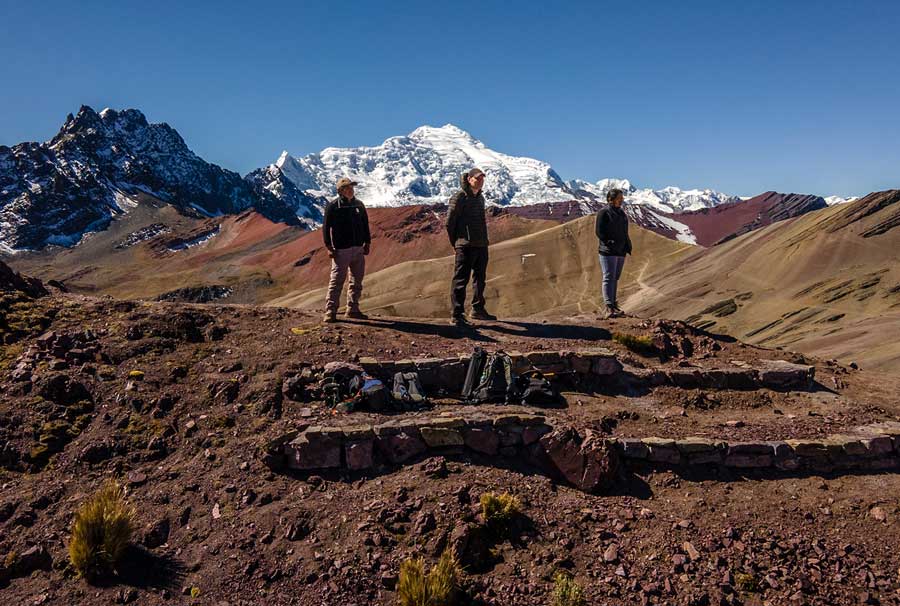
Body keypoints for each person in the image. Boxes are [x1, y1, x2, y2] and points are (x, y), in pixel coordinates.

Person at [446, 168, 496, 326]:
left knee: (480, 279)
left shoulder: (480, 198)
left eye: (482, 179)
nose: (480, 181)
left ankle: (477, 309)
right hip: (465, 245)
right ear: (469, 179)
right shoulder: (460, 197)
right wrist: (456, 241)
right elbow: (450, 222)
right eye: (477, 178)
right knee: (461, 279)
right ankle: (457, 314)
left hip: (481, 244)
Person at [322, 177, 371, 323]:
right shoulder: (333, 207)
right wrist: (329, 247)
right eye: (347, 188)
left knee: (356, 281)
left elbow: (365, 225)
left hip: (358, 249)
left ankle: (353, 309)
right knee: (336, 281)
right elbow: (326, 228)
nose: (351, 190)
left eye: (352, 187)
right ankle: (330, 311)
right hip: (341, 250)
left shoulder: (359, 205)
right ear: (340, 191)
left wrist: (367, 242)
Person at [595, 187, 632, 318]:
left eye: (622, 198)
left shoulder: (621, 213)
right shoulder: (604, 212)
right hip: (608, 251)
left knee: (615, 278)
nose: (621, 200)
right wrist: (609, 242)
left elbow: (624, 231)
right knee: (608, 277)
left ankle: (613, 305)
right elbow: (599, 232)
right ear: (611, 199)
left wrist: (627, 244)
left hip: (620, 251)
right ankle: (608, 306)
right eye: (619, 198)